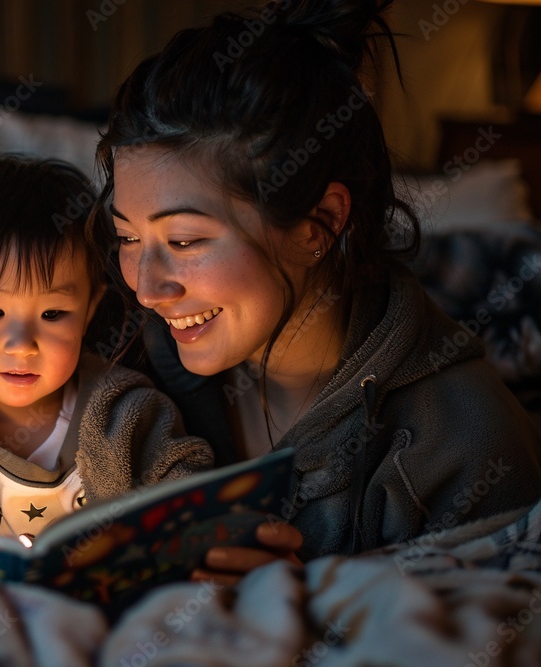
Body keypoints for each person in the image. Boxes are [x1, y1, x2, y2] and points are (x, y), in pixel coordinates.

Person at [87, 0, 541, 567]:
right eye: (128, 239)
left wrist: (309, 605)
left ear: (317, 225)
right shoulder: (124, 371)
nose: (147, 290)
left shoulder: (463, 443)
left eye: (184, 242)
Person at [0, 156, 214, 541]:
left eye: (53, 313)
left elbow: (190, 496)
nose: (23, 346)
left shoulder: (125, 411)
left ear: (89, 311)